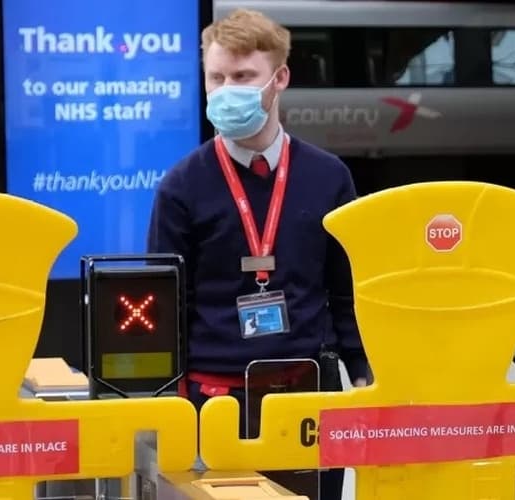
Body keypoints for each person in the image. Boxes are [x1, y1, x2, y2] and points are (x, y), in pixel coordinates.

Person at [147, 8, 367, 499]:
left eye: (244, 76)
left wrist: (365, 374)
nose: (228, 90)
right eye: (216, 77)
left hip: (308, 394)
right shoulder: (182, 186)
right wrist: (172, 404)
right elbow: (169, 305)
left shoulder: (329, 177)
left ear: (280, 78)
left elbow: (346, 289)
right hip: (216, 401)